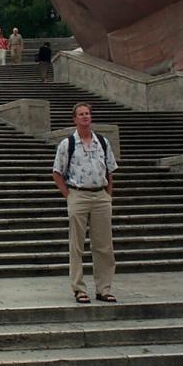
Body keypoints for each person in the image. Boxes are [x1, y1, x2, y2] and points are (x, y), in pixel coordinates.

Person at [52, 102, 118, 304]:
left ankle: (104, 289)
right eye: (81, 114)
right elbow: (56, 173)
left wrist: (108, 195)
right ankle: (79, 289)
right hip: (78, 195)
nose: (85, 117)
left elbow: (109, 170)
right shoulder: (67, 144)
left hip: (100, 196)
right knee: (77, 245)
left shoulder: (103, 142)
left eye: (87, 113)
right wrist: (69, 196)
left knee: (104, 246)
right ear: (74, 119)